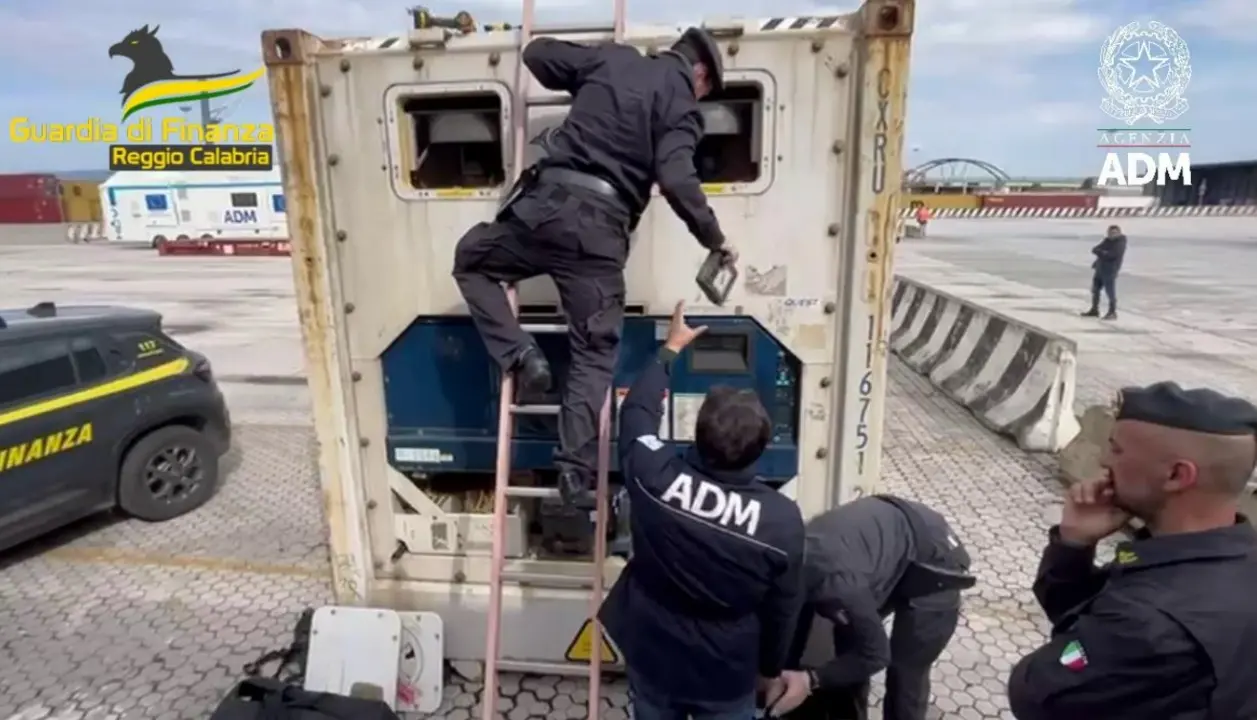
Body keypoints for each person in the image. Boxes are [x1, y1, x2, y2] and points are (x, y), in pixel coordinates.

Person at [451, 28, 738, 510]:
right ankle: (572, 467)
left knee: (471, 260)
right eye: (706, 90)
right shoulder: (681, 107)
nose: (702, 97)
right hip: (600, 236)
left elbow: (537, 54)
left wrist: (583, 66)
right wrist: (716, 238)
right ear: (701, 72)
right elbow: (675, 178)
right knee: (594, 351)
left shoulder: (613, 60)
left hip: (543, 211)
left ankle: (521, 354)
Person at [598, 301, 806, 720]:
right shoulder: (781, 523)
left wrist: (671, 349)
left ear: (697, 433)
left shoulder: (652, 474)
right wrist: (769, 670)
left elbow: (636, 411)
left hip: (654, 656)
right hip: (725, 674)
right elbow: (783, 611)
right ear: (759, 451)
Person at [1007, 381, 1257, 719]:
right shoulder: (1200, 559)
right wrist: (1075, 544)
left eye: (1117, 449)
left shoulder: (1147, 622)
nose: (1104, 459)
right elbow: (1079, 606)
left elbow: (1035, 693)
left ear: (1176, 475)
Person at [762, 496, 974, 720]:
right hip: (881, 542)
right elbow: (792, 624)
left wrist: (810, 679)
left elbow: (876, 655)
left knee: (906, 672)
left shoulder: (838, 584)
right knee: (848, 646)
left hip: (936, 560)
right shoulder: (788, 564)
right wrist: (778, 673)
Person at [1081, 224, 1126, 320]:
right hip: (1100, 268)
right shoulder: (1107, 241)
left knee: (1110, 292)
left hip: (1110, 270)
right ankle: (1094, 309)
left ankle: (1112, 312)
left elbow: (1112, 255)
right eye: (1110, 233)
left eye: (1114, 233)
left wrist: (1101, 252)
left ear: (1119, 233)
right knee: (1095, 290)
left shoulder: (1120, 243)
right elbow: (1095, 249)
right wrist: (1102, 252)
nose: (1111, 235)